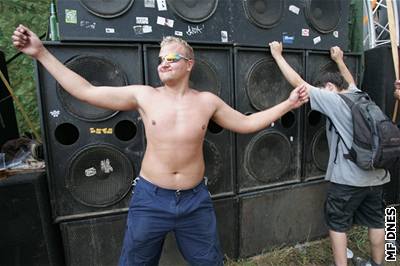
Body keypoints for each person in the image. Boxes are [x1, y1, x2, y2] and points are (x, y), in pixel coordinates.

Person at [12, 24, 308, 266]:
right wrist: (41, 53)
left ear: (189, 64)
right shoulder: (144, 96)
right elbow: (85, 91)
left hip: (195, 201)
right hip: (151, 200)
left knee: (209, 262)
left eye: (171, 58)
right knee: (136, 263)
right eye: (160, 59)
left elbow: (247, 124)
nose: (163, 63)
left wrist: (289, 103)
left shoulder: (207, 102)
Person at [269, 41, 390, 266]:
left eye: (324, 88)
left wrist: (277, 55)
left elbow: (299, 84)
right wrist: (339, 60)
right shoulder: (360, 95)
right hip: (376, 175)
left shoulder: (333, 99)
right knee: (377, 221)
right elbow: (350, 80)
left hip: (348, 180)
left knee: (337, 224)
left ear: (330, 87)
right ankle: (378, 263)